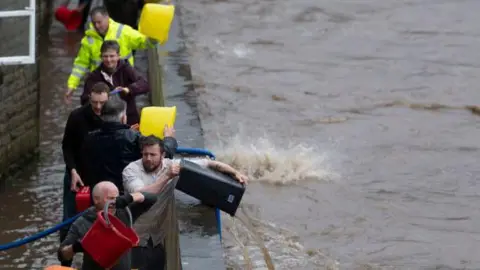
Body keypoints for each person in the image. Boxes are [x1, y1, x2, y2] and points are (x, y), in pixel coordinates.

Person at [122, 135, 248, 270]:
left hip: (157, 237)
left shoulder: (170, 165)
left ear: (162, 155)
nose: (148, 158)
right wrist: (167, 177)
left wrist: (235, 173)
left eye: (153, 155)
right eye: (145, 154)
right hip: (134, 235)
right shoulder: (131, 171)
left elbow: (208, 163)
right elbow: (143, 195)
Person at [81, 96, 178, 193]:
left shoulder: (89, 138)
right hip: (127, 193)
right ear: (123, 118)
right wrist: (169, 138)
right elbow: (163, 154)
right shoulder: (132, 137)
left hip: (98, 192)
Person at [59, 81, 109, 266]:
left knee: (104, 220)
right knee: (69, 221)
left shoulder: (111, 116)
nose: (97, 107)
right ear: (90, 99)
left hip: (101, 178)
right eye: (94, 102)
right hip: (77, 176)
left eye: (102, 103)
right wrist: (72, 170)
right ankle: (65, 264)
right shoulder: (77, 117)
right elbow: (67, 147)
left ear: (108, 100)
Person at [65, 6, 156, 104]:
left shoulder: (123, 31)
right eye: (94, 23)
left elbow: (144, 42)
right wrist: (71, 85)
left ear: (107, 18)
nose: (97, 26)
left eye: (99, 22)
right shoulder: (88, 40)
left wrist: (155, 38)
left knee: (126, 109)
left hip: (123, 81)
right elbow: (80, 65)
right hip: (100, 83)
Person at [58, 181, 157, 270]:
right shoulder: (82, 222)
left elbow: (152, 199)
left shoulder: (124, 212)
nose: (114, 202)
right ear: (96, 199)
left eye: (117, 198)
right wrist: (75, 247)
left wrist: (130, 197)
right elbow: (61, 255)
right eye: (110, 198)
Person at [82, 40, 150, 126]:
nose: (109, 60)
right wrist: (107, 96)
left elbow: (144, 84)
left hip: (130, 120)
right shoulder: (93, 77)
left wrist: (129, 89)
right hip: (105, 123)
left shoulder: (126, 69)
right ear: (101, 57)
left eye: (112, 56)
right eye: (105, 56)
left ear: (118, 56)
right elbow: (84, 100)